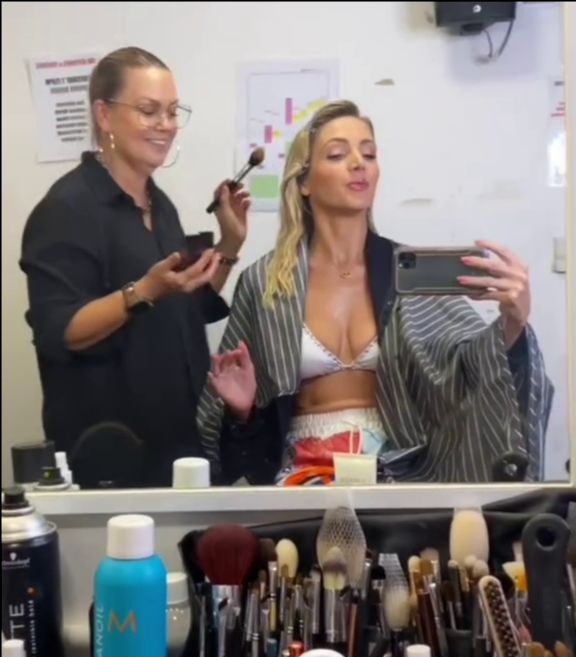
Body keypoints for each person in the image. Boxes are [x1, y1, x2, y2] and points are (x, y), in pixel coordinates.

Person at [196, 100, 553, 486]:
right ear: (304, 182)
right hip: (301, 475)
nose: (358, 164)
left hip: (399, 473)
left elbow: (469, 370)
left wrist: (513, 321)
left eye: (369, 154)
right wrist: (243, 411)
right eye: (337, 154)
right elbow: (228, 426)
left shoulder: (409, 275)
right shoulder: (266, 283)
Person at [20, 47, 250, 487]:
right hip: (111, 455)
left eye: (172, 111)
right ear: (104, 115)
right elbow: (59, 330)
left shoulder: (159, 205)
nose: (165, 124)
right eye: (148, 110)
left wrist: (229, 243)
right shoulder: (65, 209)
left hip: (180, 445)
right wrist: (141, 291)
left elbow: (185, 302)